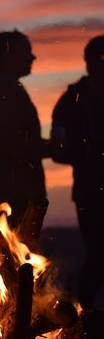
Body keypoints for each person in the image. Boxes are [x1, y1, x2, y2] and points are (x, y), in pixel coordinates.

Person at [0, 30, 49, 248]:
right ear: (9, 56)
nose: (32, 57)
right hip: (14, 191)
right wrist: (50, 147)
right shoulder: (5, 92)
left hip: (2, 188)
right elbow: (10, 144)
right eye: (26, 52)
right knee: (19, 254)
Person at [51, 35, 104, 317]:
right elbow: (59, 146)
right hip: (89, 191)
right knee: (98, 255)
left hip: (88, 189)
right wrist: (84, 153)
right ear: (89, 63)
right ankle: (82, 316)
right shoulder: (74, 99)